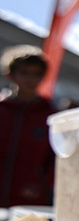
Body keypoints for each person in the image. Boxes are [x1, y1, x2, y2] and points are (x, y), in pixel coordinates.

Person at [0, 45, 58, 209]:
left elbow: (55, 158)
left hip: (30, 201)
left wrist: (43, 185)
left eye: (36, 74)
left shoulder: (50, 115)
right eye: (24, 72)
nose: (30, 79)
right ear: (11, 74)